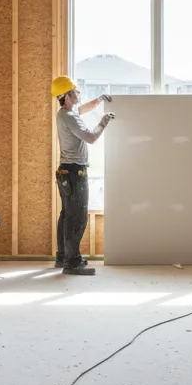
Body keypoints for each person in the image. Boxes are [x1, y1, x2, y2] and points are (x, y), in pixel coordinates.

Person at [51, 76, 115, 276]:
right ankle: (72, 262)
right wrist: (104, 121)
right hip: (74, 172)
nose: (78, 93)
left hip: (66, 172)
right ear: (67, 96)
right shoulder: (69, 117)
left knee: (66, 215)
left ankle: (63, 256)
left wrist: (98, 101)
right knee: (77, 218)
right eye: (75, 91)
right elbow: (91, 137)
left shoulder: (64, 113)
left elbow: (82, 110)